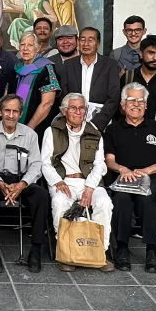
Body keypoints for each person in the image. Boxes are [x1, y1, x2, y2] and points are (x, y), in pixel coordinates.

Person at [105, 83, 156, 273]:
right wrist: (122, 169)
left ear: (146, 105)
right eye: (131, 100)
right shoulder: (114, 129)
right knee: (121, 198)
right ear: (122, 105)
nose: (136, 104)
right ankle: (122, 248)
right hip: (124, 178)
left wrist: (148, 170)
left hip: (154, 179)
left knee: (147, 198)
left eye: (140, 100)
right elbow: (109, 160)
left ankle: (152, 250)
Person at [41, 93, 114, 273]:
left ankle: (100, 253)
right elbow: (45, 162)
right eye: (73, 108)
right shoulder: (52, 131)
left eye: (81, 108)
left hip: (89, 181)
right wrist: (58, 182)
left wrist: (90, 188)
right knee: (60, 202)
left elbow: (99, 165)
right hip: (63, 181)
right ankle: (66, 252)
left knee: (104, 203)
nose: (78, 111)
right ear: (64, 111)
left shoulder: (95, 133)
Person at [0, 94, 48, 273]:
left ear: (20, 114)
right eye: (7, 111)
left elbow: (36, 165)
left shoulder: (30, 134)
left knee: (41, 195)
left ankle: (35, 250)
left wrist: (22, 184)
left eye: (15, 111)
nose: (10, 115)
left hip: (21, 180)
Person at [58, 27, 121, 132]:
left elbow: (113, 98)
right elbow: (64, 95)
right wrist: (73, 119)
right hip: (73, 124)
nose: (86, 43)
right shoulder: (68, 65)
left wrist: (96, 123)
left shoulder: (110, 65)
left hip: (101, 126)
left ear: (98, 44)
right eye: (82, 39)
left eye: (91, 40)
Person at [13, 33, 60, 140]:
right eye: (22, 45)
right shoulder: (16, 67)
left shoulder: (46, 68)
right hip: (14, 127)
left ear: (37, 48)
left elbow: (47, 103)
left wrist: (29, 129)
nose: (25, 49)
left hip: (37, 128)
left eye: (30, 45)